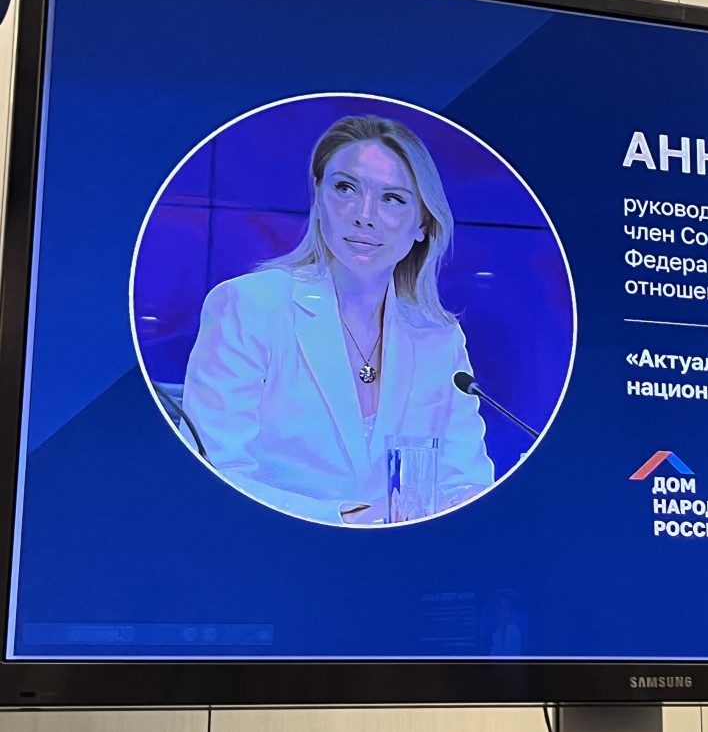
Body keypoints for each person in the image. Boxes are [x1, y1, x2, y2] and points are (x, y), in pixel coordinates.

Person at [181, 115, 494, 525]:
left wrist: (466, 503)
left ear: (423, 222)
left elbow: (465, 478)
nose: (364, 215)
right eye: (345, 188)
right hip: (268, 548)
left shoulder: (439, 336)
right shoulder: (250, 306)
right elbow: (214, 474)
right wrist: (343, 518)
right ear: (318, 198)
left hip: (404, 555)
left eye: (392, 198)